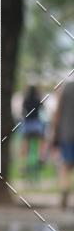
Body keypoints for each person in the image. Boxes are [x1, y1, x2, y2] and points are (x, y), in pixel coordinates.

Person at [50, 80, 74, 209]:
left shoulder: (66, 88)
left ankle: (65, 188)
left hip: (67, 133)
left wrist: (55, 132)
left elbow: (57, 112)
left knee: (65, 164)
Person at [20, 84, 46, 171]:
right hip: (36, 123)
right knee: (41, 140)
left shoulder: (26, 99)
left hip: (27, 123)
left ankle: (24, 161)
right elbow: (43, 108)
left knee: (26, 142)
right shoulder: (37, 99)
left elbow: (22, 110)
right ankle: (41, 157)